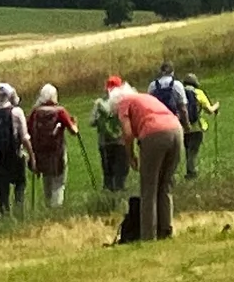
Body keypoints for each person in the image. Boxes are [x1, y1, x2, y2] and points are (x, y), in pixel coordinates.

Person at [113, 80, 183, 241]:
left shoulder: (123, 104)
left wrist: (130, 156)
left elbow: (128, 133)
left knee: (149, 188)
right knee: (165, 184)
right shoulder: (145, 97)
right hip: (176, 130)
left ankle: (148, 235)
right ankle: (166, 230)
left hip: (154, 135)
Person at [27, 83, 80, 206]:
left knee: (47, 179)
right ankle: (56, 207)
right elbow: (74, 131)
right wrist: (75, 124)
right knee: (58, 181)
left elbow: (28, 130)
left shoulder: (35, 112)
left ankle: (48, 205)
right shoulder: (60, 111)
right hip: (57, 152)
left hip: (40, 153)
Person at [0, 82, 31, 216]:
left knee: (2, 187)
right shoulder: (16, 112)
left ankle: (4, 213)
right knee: (20, 183)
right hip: (15, 154)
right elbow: (24, 137)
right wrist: (31, 154)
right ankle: (19, 211)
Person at [90, 76, 131, 194]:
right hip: (121, 141)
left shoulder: (99, 103)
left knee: (108, 172)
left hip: (104, 142)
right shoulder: (124, 102)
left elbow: (91, 122)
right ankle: (120, 194)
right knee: (121, 172)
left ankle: (108, 196)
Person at [181, 72, 220, 180]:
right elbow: (209, 110)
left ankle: (189, 171)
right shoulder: (198, 93)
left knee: (188, 151)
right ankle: (191, 173)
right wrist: (216, 106)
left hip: (183, 127)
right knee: (193, 151)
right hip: (197, 127)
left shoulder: (180, 92)